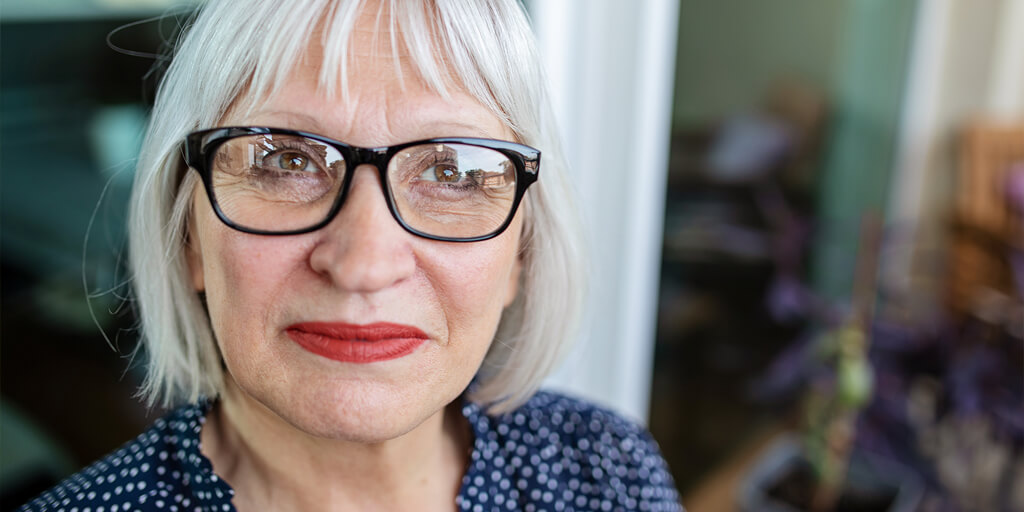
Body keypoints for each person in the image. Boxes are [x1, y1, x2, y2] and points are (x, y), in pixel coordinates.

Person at [21, 0, 683, 510]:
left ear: (519, 253)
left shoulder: (604, 469)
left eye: (451, 171)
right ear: (190, 235)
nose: (364, 263)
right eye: (284, 160)